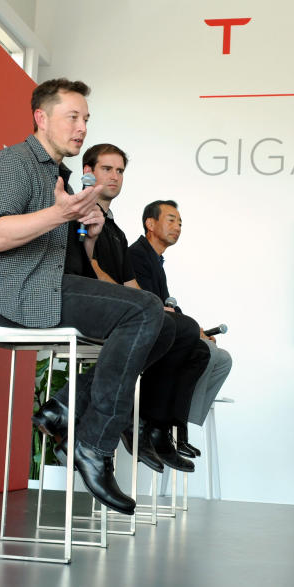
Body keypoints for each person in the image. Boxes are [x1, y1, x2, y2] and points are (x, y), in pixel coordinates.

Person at [0, 78, 168, 515]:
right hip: (11, 295)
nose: (81, 128)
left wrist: (89, 237)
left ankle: (65, 408)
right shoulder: (12, 163)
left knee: (164, 326)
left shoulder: (58, 175)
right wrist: (60, 212)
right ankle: (94, 445)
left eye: (86, 119)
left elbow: (67, 258)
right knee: (146, 310)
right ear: (42, 117)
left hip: (45, 287)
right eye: (72, 117)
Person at [81, 143, 210, 472]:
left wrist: (152, 307)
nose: (115, 176)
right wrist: (149, 307)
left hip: (120, 311)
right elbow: (89, 267)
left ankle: (161, 428)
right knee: (173, 329)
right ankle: (140, 421)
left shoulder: (117, 233)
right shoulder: (78, 213)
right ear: (87, 173)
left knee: (196, 345)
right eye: (107, 169)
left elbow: (132, 288)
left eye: (120, 171)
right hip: (85, 307)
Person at [128, 200, 233, 453]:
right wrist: (193, 330)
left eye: (180, 223)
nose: (177, 227)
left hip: (163, 327)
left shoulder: (157, 261)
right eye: (171, 220)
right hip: (143, 331)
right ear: (150, 224)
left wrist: (198, 331)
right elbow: (149, 303)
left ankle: (179, 422)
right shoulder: (136, 255)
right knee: (205, 352)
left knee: (223, 359)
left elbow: (167, 306)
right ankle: (167, 425)